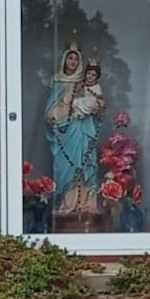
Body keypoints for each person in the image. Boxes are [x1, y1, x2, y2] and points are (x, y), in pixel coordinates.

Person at [44, 42, 104, 216]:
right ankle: (66, 204)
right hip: (65, 134)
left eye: (76, 59)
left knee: (85, 163)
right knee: (65, 167)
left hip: (83, 130)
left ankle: (86, 205)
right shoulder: (57, 81)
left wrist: (97, 106)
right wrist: (58, 112)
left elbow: (98, 105)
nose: (72, 62)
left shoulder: (84, 83)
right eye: (69, 58)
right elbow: (49, 111)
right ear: (64, 60)